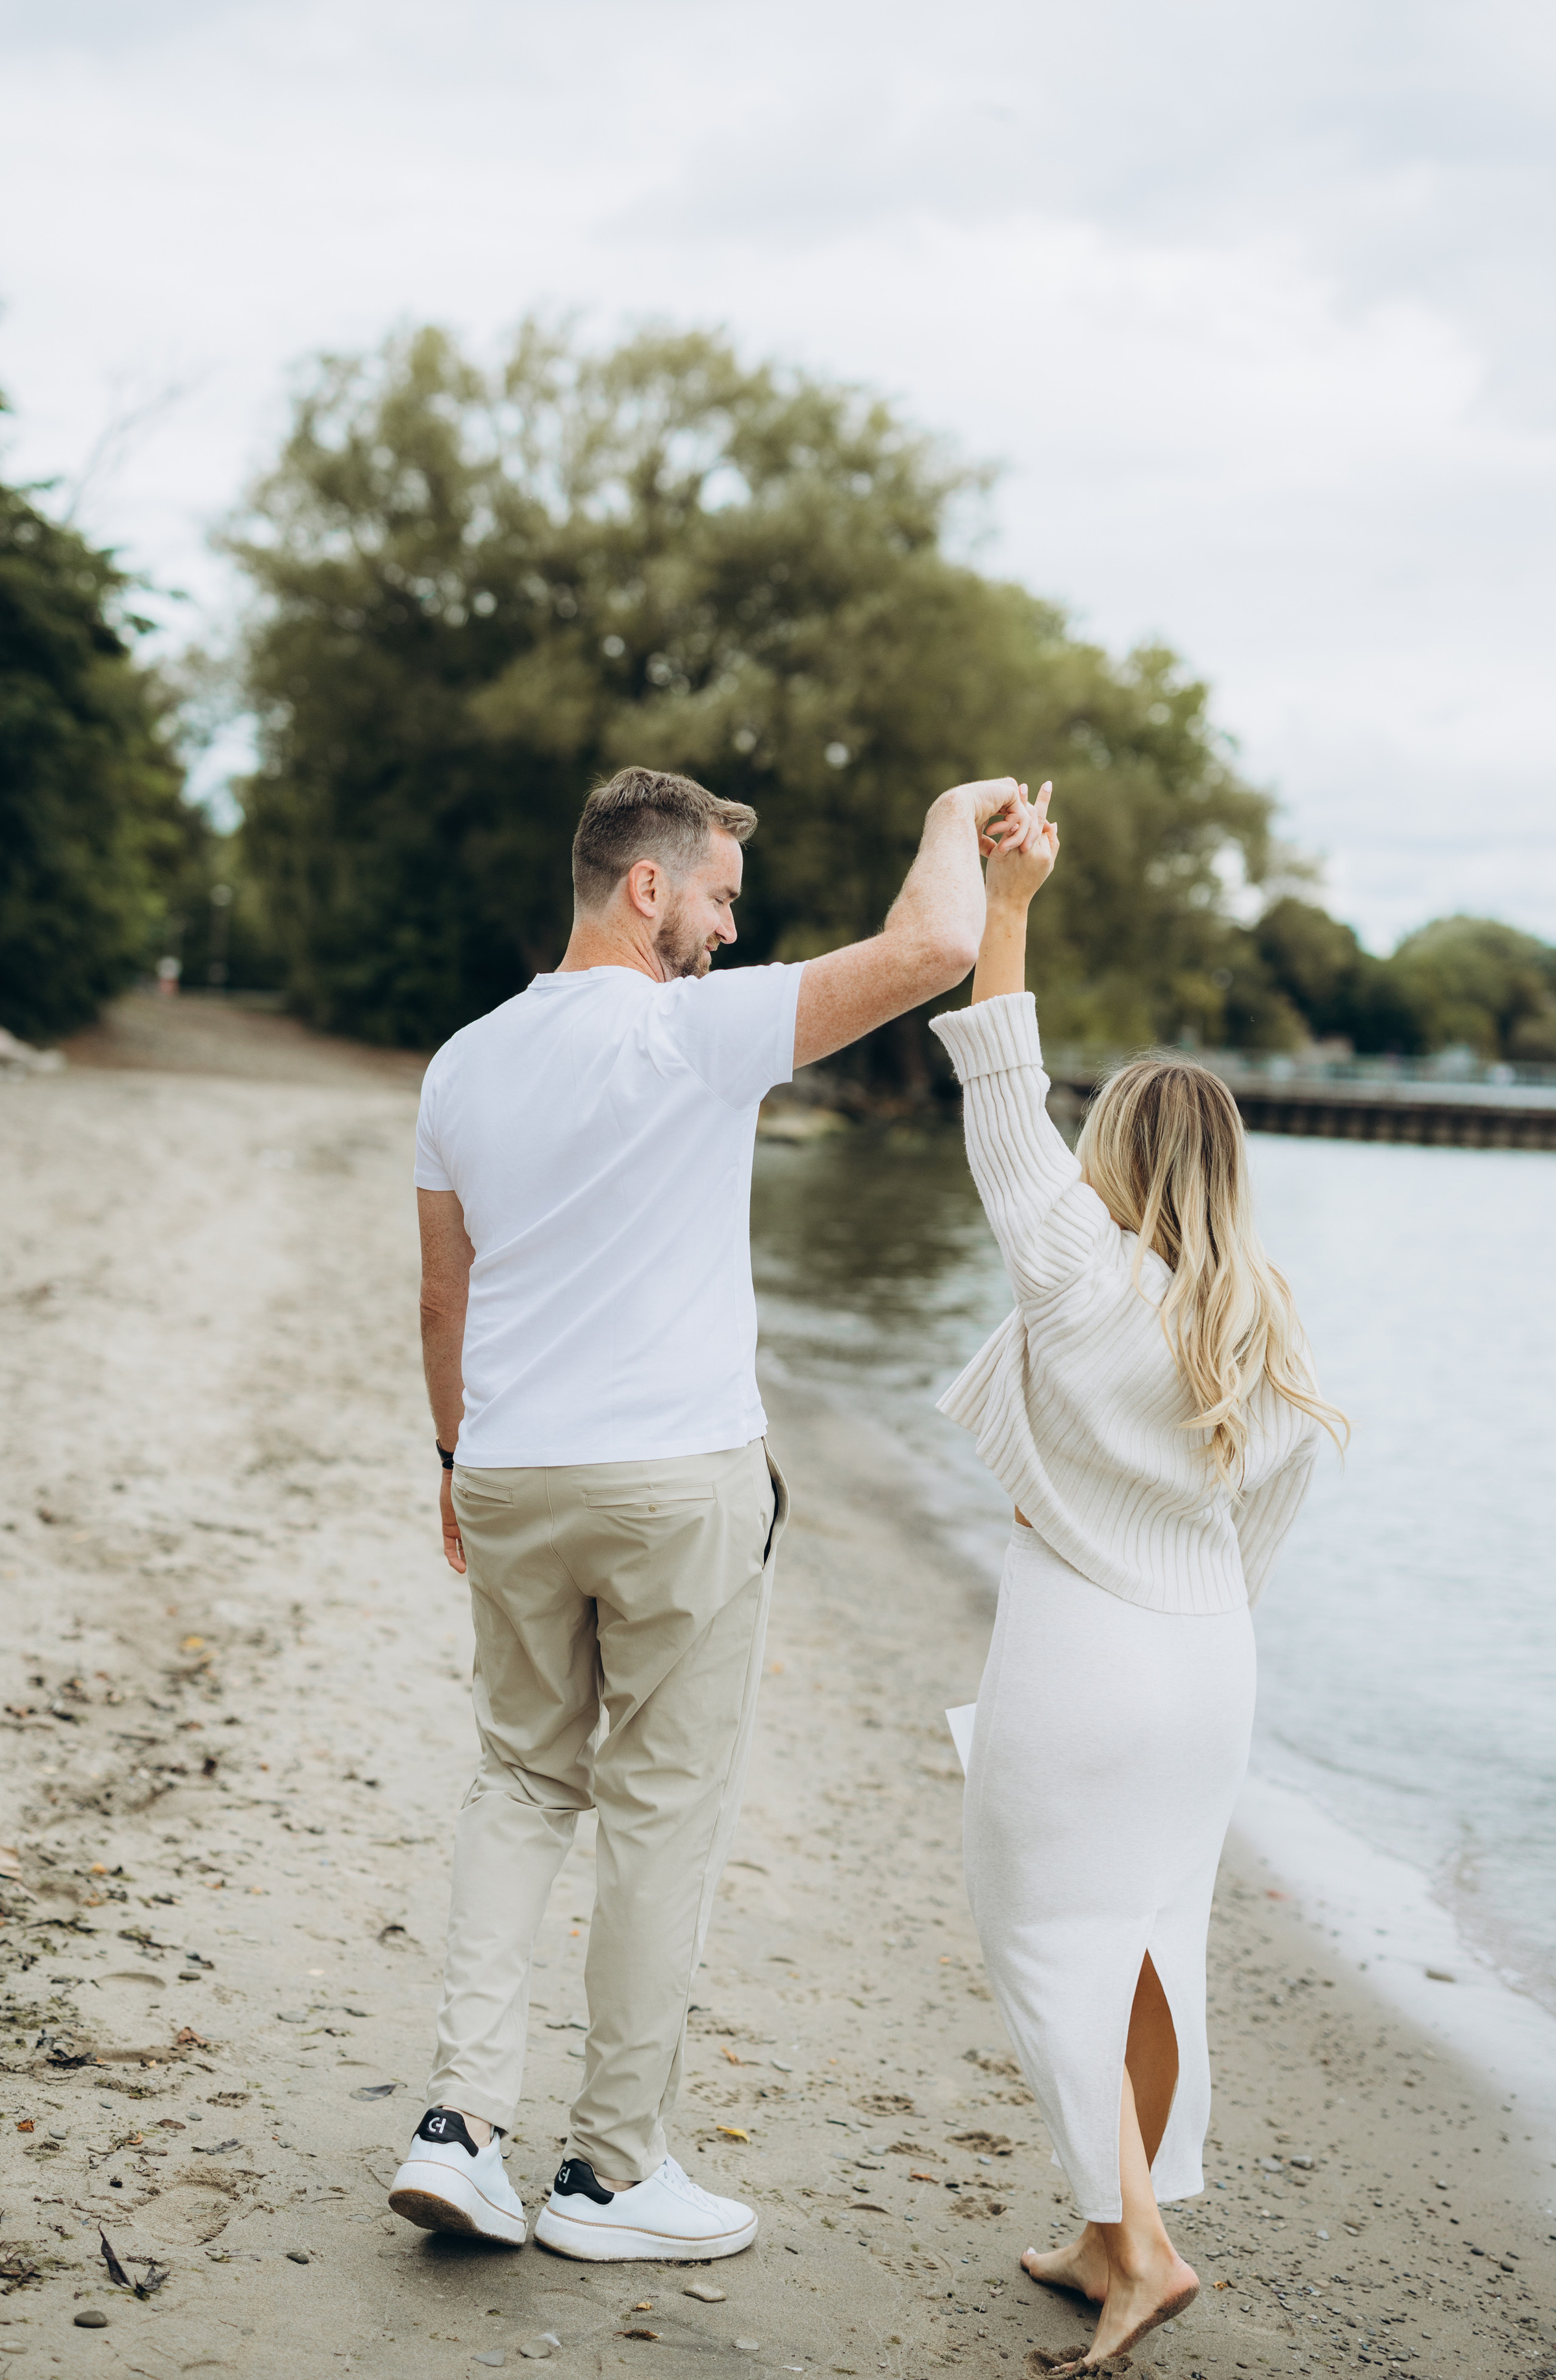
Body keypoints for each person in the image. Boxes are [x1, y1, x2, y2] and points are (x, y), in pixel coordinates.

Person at [388, 761, 1033, 2263]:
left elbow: (445, 1289)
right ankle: (609, 2176)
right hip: (675, 1480)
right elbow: (934, 951)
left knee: (516, 1781)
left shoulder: (462, 1063)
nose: (732, 936)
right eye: (722, 902)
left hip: (511, 1469)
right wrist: (951, 819)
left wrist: (449, 1464)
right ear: (648, 887)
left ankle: (461, 2130)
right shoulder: (691, 1032)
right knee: (658, 1813)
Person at [929, 784, 1347, 2374]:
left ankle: (1145, 2253)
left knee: (1041, 1937)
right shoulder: (1265, 1328)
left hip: (1081, 1655)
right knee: (1157, 1936)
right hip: (1207, 1670)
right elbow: (1260, 1537)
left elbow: (998, 1073)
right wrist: (1189, 1591)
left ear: (1110, 1150)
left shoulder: (1067, 1265)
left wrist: (1012, 897)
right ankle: (1107, 2227)